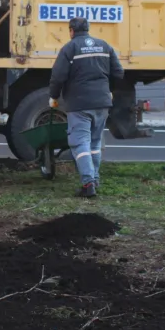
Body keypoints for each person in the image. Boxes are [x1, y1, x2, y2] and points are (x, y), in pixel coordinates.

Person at [49, 17, 124, 197]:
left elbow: (58, 76)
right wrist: (108, 90)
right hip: (102, 102)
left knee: (79, 142)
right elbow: (119, 73)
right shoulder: (104, 45)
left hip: (79, 103)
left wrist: (53, 96)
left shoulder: (70, 48)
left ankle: (88, 183)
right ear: (88, 29)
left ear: (71, 30)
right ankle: (94, 180)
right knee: (95, 143)